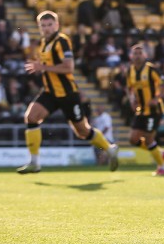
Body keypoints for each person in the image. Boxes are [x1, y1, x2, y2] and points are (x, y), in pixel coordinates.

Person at [17, 11, 119, 174]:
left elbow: (68, 67)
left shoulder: (62, 41)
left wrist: (42, 67)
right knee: (31, 117)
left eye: (50, 25)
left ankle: (109, 148)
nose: (47, 28)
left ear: (57, 25)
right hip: (50, 92)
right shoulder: (43, 43)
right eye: (43, 26)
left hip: (67, 94)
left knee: (82, 131)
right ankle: (34, 162)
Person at [126, 44, 164, 176]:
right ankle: (161, 152)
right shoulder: (130, 71)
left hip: (154, 110)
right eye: (135, 53)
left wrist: (157, 98)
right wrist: (132, 100)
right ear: (131, 56)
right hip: (141, 110)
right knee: (133, 139)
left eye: (140, 53)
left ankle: (162, 167)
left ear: (145, 55)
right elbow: (129, 89)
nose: (137, 56)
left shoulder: (151, 69)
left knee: (148, 139)